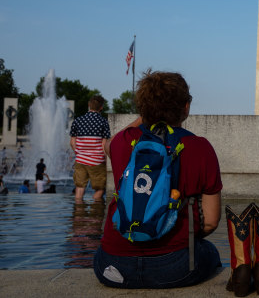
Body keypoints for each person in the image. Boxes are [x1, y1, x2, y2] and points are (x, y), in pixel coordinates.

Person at [93, 70, 223, 289]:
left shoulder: (123, 142)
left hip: (113, 265)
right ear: (186, 107)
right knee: (209, 251)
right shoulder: (201, 147)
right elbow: (210, 221)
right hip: (176, 268)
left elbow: (109, 144)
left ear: (143, 108)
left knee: (102, 250)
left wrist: (146, 114)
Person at [69, 95, 111, 202]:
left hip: (80, 160)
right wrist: (106, 160)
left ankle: (79, 214)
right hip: (97, 161)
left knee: (79, 187)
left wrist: (79, 153)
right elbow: (104, 144)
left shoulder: (78, 120)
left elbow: (72, 142)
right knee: (100, 188)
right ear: (101, 107)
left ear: (89, 105)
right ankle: (95, 215)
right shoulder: (103, 122)